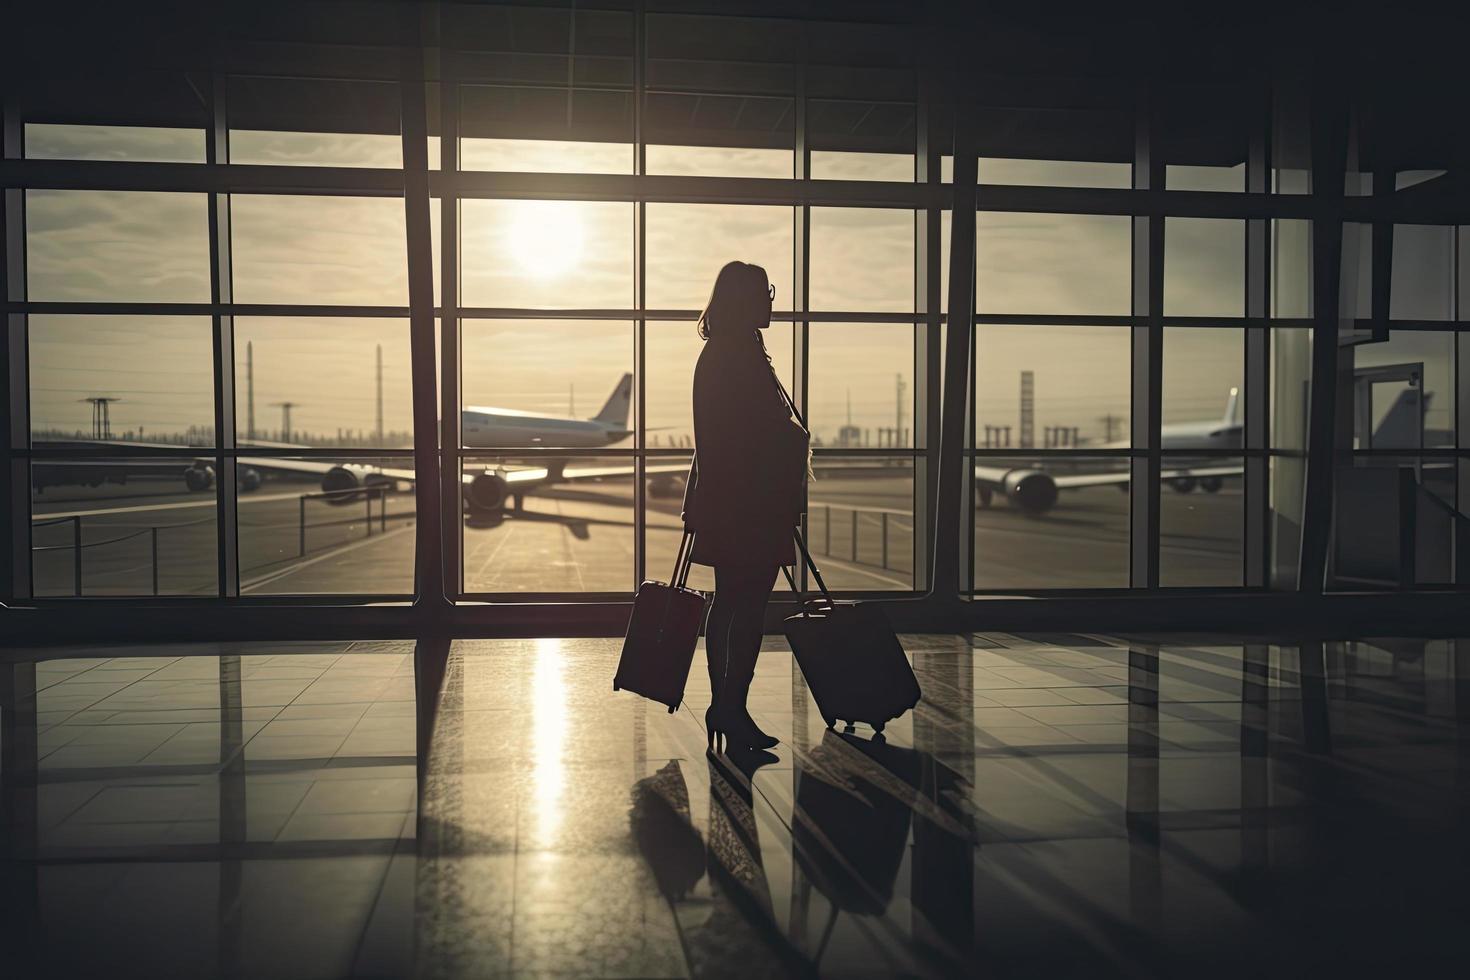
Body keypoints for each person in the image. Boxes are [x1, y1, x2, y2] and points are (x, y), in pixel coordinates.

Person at [682, 260, 808, 752]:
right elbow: (746, 435)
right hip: (749, 504)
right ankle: (730, 706)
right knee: (746, 606)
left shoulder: (726, 354)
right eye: (766, 291)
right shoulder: (736, 357)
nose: (772, 300)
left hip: (735, 501)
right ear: (744, 299)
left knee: (732, 602)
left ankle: (727, 705)